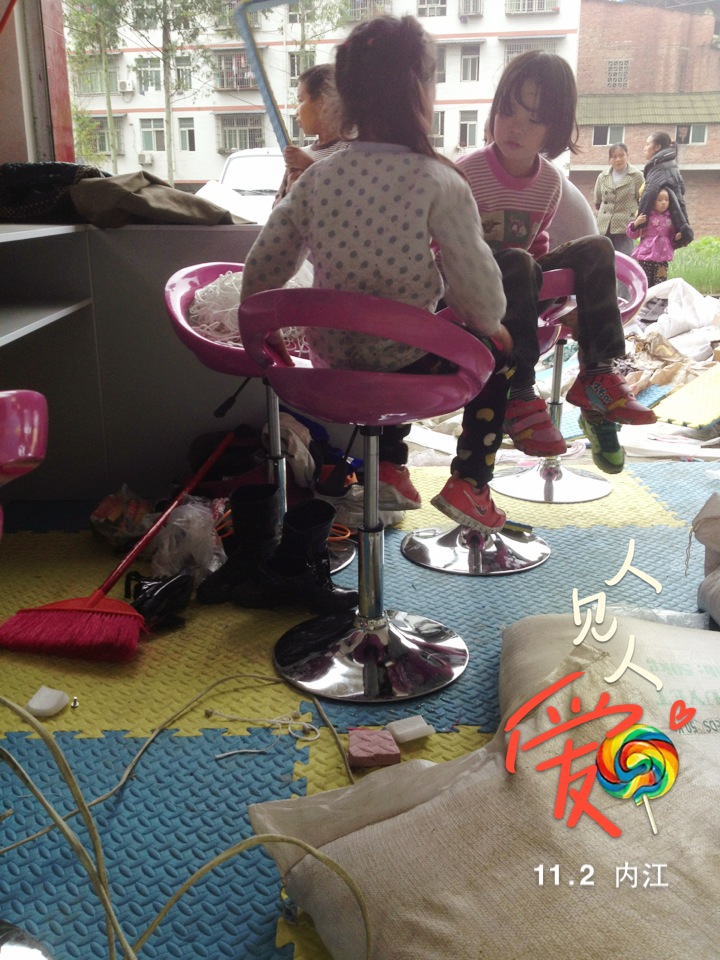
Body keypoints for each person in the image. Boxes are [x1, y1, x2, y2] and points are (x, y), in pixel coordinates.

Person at [241, 14, 516, 543]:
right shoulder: (438, 178)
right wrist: (494, 326)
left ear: (346, 96)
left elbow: (263, 269)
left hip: (331, 363)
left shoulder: (317, 176)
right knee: (498, 351)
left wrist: (266, 333)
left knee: (399, 333)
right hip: (406, 365)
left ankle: (389, 464)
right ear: (421, 89)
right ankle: (470, 481)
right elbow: (479, 297)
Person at [456, 50, 657, 476]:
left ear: (556, 130)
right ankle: (519, 391)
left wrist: (560, 301)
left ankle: (598, 373)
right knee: (516, 261)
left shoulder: (549, 182)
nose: (515, 126)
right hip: (474, 295)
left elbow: (538, 245)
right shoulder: (466, 174)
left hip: (524, 283)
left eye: (533, 120)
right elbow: (444, 251)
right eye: (507, 111)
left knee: (597, 247)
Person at [275, 64, 346, 203]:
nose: (296, 111)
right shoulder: (299, 156)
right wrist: (288, 192)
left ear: (323, 102)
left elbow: (347, 200)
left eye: (301, 100)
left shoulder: (349, 151)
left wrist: (309, 167)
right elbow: (276, 211)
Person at [637, 131, 693, 248]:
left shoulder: (660, 166)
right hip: (670, 223)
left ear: (657, 147)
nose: (644, 148)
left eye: (647, 144)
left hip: (658, 226)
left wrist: (640, 223)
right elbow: (682, 190)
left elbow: (649, 194)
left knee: (651, 257)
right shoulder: (671, 164)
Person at [593, 143, 644, 256]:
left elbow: (642, 200)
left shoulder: (637, 176)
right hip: (604, 226)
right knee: (603, 258)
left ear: (627, 156)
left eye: (621, 155)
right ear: (609, 159)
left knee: (625, 259)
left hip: (625, 227)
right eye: (614, 156)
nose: (618, 159)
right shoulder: (602, 176)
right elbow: (598, 201)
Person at [626, 188, 682, 288]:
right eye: (659, 200)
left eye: (666, 199)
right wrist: (636, 223)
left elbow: (672, 236)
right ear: (652, 201)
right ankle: (645, 298)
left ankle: (658, 298)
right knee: (644, 282)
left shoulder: (671, 218)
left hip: (662, 257)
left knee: (661, 283)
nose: (663, 202)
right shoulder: (646, 216)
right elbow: (632, 234)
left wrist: (676, 237)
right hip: (646, 256)